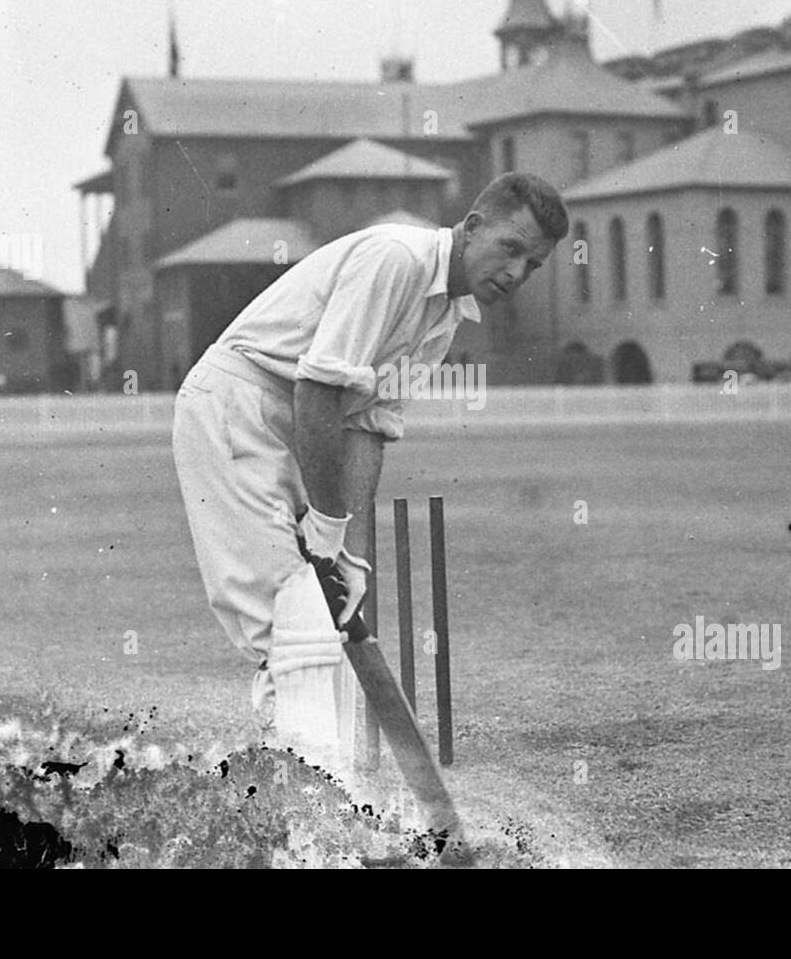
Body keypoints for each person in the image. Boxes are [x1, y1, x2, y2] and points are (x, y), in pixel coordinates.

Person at [171, 172, 569, 768]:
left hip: (298, 424)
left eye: (532, 264)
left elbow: (367, 427)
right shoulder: (395, 258)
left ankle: (322, 797)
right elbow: (317, 388)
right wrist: (327, 527)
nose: (516, 273)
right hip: (239, 406)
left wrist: (350, 556)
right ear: (473, 225)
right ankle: (307, 807)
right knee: (292, 618)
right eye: (511, 248)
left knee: (323, 620)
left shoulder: (447, 316)